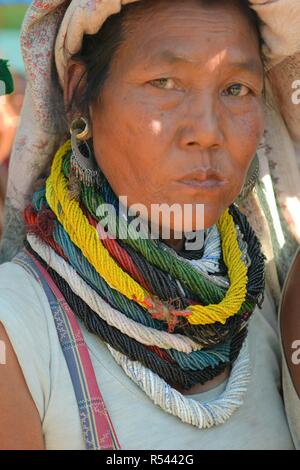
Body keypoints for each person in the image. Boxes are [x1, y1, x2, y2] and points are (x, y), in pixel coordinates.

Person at [0, 0, 299, 450]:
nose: (208, 130)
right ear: (80, 92)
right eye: (164, 83)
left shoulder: (273, 299)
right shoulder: (18, 329)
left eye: (236, 88)